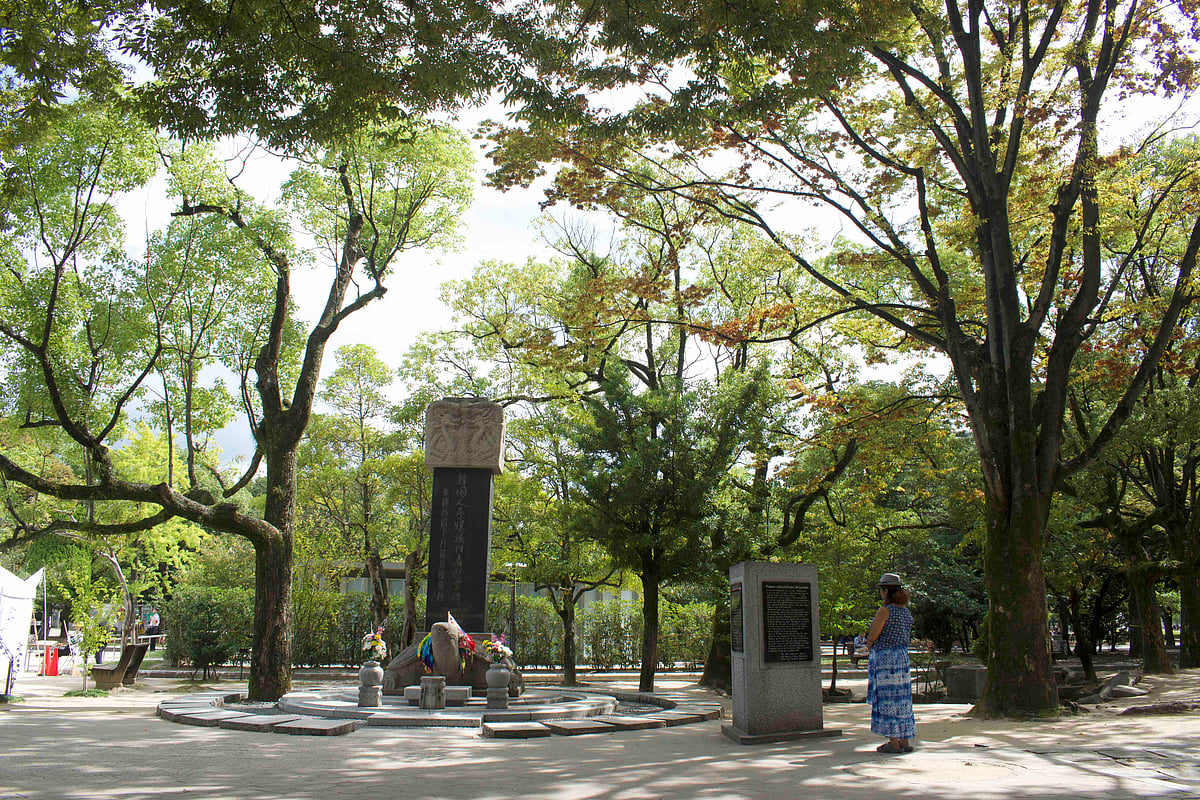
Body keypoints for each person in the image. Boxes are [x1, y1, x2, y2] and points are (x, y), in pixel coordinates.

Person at [865, 572, 915, 754]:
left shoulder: (884, 611)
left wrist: (869, 643)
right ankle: (905, 741)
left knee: (888, 698)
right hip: (901, 658)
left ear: (886, 591)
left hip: (886, 659)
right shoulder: (905, 612)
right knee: (902, 699)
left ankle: (893, 742)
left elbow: (874, 635)